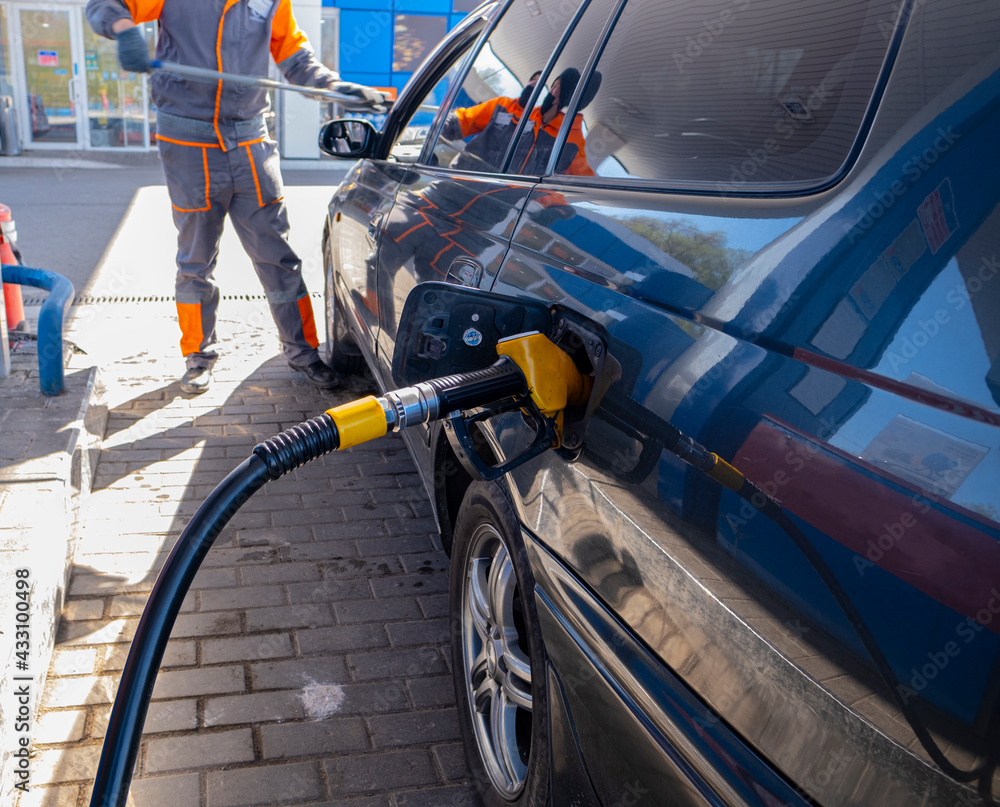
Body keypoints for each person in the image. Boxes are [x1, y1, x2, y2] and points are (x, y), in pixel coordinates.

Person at [85, 0, 385, 394]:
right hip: (188, 145)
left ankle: (303, 353)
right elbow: (105, 5)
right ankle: (198, 356)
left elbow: (294, 56)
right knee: (195, 259)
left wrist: (332, 86)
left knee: (278, 258)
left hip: (249, 144)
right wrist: (124, 29)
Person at [441, 67, 601, 176]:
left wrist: (553, 206)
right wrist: (443, 126)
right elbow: (459, 123)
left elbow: (576, 181)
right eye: (532, 80)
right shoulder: (503, 106)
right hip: (456, 182)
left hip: (491, 211)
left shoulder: (571, 139)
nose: (532, 85)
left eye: (540, 83)